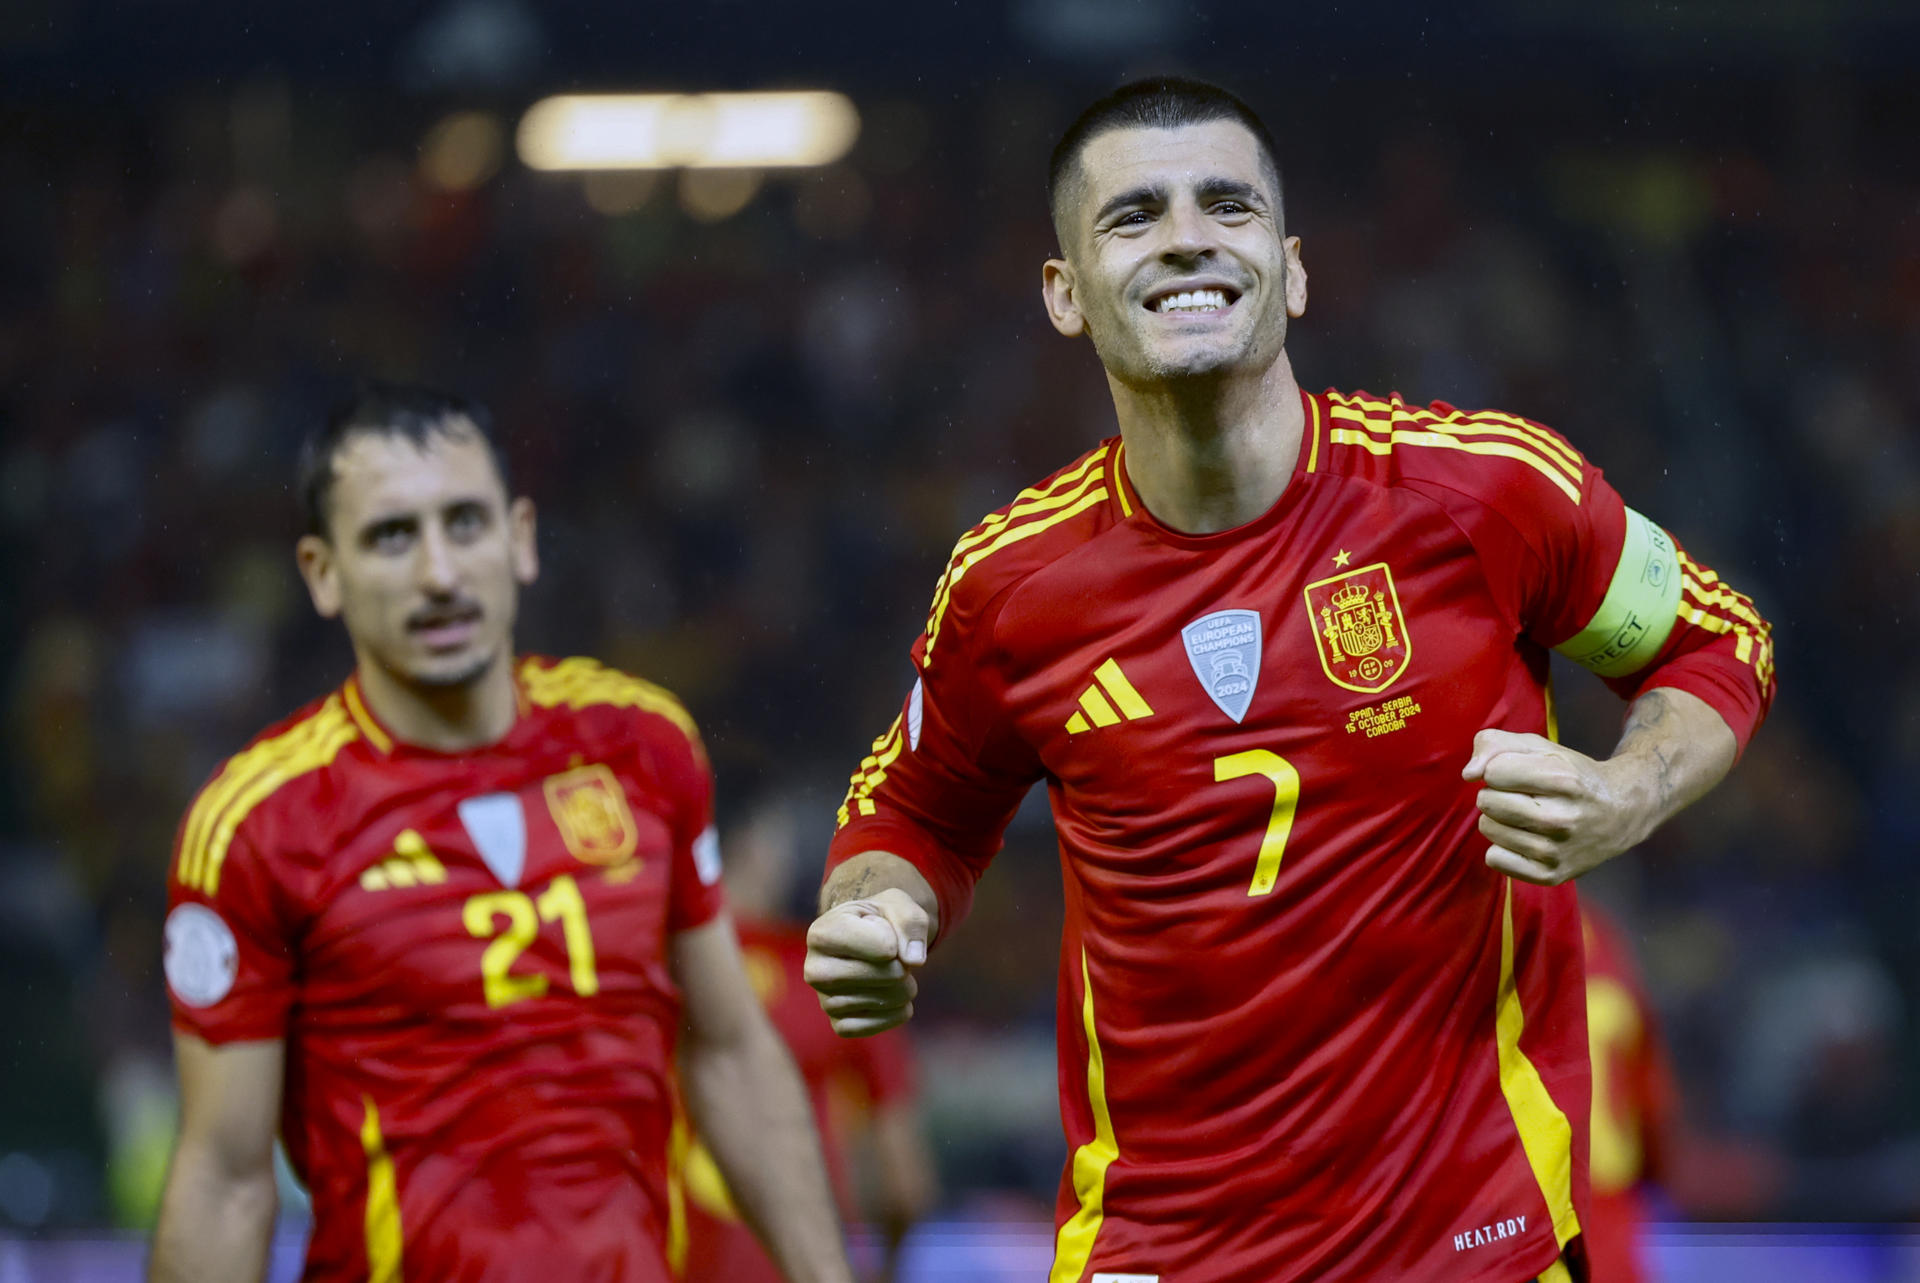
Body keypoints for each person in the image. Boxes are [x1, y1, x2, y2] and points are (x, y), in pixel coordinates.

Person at [803, 77, 1775, 1283]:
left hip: (1473, 1246)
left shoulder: (1482, 495)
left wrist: (1628, 791)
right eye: (1133, 216)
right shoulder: (1011, 588)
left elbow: (1716, 638)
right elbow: (911, 815)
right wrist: (876, 911)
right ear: (1065, 293)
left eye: (1227, 205)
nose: (1188, 238)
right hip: (1160, 1249)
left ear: (1293, 268)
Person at [150, 384, 852, 1283]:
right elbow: (224, 1177)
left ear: (520, 539)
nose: (440, 572)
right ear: (323, 573)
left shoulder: (643, 746)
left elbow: (730, 1049)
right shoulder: (256, 824)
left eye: (467, 523)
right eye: (392, 536)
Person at [677, 791, 936, 1283]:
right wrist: (884, 1272)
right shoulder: (839, 974)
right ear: (756, 846)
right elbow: (904, 1185)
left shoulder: (657, 974)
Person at [1581, 903, 1680, 1283]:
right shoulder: (1602, 939)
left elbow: (1649, 1089)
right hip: (1599, 1190)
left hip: (1587, 1194)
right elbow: (1650, 1092)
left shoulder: (1601, 937)